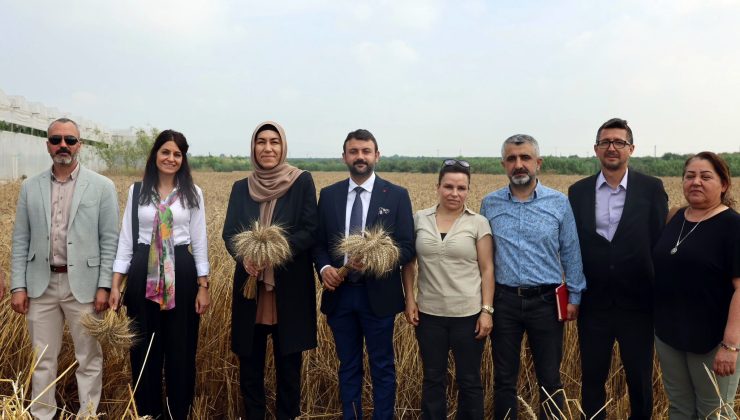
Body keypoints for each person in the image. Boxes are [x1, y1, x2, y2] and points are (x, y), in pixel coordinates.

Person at [10, 117, 119, 419]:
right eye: (56, 139)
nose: (63, 145)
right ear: (47, 145)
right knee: (42, 358)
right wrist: (18, 285)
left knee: (89, 357)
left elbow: (110, 240)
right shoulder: (30, 187)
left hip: (83, 287)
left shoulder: (102, 187)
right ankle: (43, 414)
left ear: (79, 145)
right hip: (40, 285)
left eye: (70, 140)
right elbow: (20, 239)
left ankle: (88, 414)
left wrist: (104, 285)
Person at [480, 134, 586, 419]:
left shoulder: (558, 203)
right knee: (504, 379)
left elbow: (571, 251)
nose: (519, 165)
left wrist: (574, 296)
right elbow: (483, 258)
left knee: (550, 378)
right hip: (504, 302)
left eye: (525, 158)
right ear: (503, 164)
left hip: (546, 302)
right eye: (512, 159)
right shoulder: (489, 204)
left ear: (538, 163)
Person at [568, 118, 668, 419]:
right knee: (592, 380)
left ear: (631, 149)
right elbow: (575, 245)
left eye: (619, 142)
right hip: (594, 304)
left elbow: (658, 242)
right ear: (596, 149)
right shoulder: (578, 192)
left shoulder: (651, 189)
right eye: (605, 142)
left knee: (639, 381)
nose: (612, 147)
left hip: (638, 303)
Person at [108, 129, 210, 419]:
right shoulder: (137, 191)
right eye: (165, 152)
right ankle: (147, 413)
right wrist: (117, 284)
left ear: (183, 159)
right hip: (143, 269)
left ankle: (178, 412)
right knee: (144, 346)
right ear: (155, 155)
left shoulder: (193, 193)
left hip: (182, 270)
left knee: (181, 348)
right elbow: (126, 239)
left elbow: (199, 240)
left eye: (177, 154)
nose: (171, 158)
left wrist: (204, 285)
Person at [314, 129, 414, 419]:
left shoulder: (396, 196)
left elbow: (407, 247)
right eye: (354, 151)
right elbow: (319, 243)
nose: (360, 157)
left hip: (379, 298)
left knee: (382, 366)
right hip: (340, 296)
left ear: (376, 156)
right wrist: (324, 269)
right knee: (348, 365)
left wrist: (376, 260)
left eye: (366, 151)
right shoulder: (329, 195)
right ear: (344, 156)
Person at [222, 121, 318, 419]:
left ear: (283, 146)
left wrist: (273, 251)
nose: (267, 148)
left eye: (274, 142)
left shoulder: (301, 181)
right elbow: (229, 233)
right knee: (250, 366)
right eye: (261, 142)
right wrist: (245, 257)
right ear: (253, 147)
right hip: (251, 288)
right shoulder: (241, 188)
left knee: (288, 367)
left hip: (288, 290)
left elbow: (309, 229)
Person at [402, 159, 494, 419]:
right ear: (438, 187)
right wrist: (410, 299)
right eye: (449, 186)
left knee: (469, 380)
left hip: (468, 315)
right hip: (429, 314)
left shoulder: (478, 223)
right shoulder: (419, 218)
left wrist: (486, 311)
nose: (455, 193)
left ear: (468, 190)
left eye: (461, 188)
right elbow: (408, 264)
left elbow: (487, 269)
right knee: (432, 379)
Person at [653, 152, 740, 418]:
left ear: (723, 184)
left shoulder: (733, 226)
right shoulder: (675, 217)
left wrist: (730, 345)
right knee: (679, 407)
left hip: (712, 341)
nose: (696, 182)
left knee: (714, 410)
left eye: (705, 176)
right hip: (670, 335)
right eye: (690, 176)